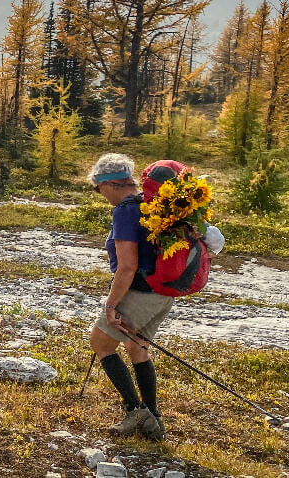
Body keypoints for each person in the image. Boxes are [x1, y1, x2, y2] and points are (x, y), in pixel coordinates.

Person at [87, 153, 170, 441]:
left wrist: (110, 305)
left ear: (109, 184)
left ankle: (135, 411)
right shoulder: (153, 203)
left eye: (98, 189)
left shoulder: (124, 210)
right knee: (138, 348)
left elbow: (127, 266)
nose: (100, 195)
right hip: (164, 292)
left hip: (139, 291)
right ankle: (153, 418)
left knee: (100, 342)